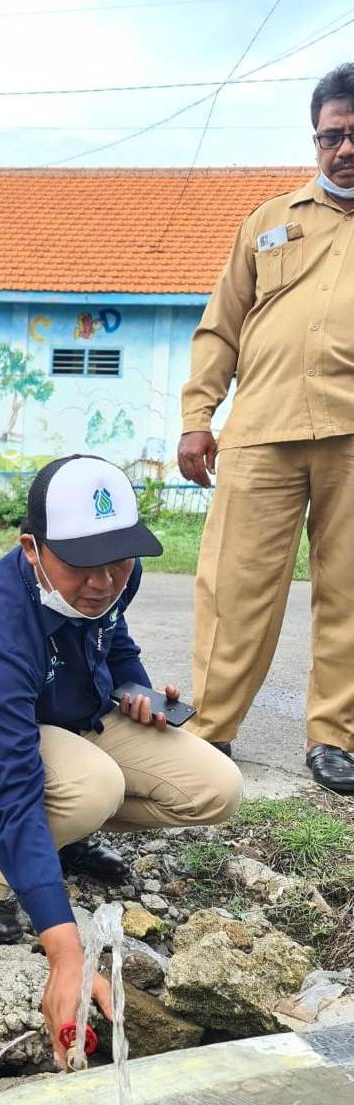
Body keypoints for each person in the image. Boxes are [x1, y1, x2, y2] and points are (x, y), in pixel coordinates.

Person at [0, 456, 242, 1068]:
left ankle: (64, 833)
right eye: (81, 565)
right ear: (32, 549)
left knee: (217, 787)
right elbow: (13, 785)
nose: (103, 582)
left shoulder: (121, 576)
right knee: (91, 787)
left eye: (118, 561)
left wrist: (135, 687)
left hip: (77, 723)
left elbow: (115, 640)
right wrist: (66, 952)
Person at [177, 63, 354, 794]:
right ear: (314, 139)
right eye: (331, 135)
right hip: (260, 428)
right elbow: (219, 328)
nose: (343, 148)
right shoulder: (267, 220)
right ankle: (210, 726)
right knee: (233, 583)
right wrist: (197, 415)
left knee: (348, 589)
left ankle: (334, 736)